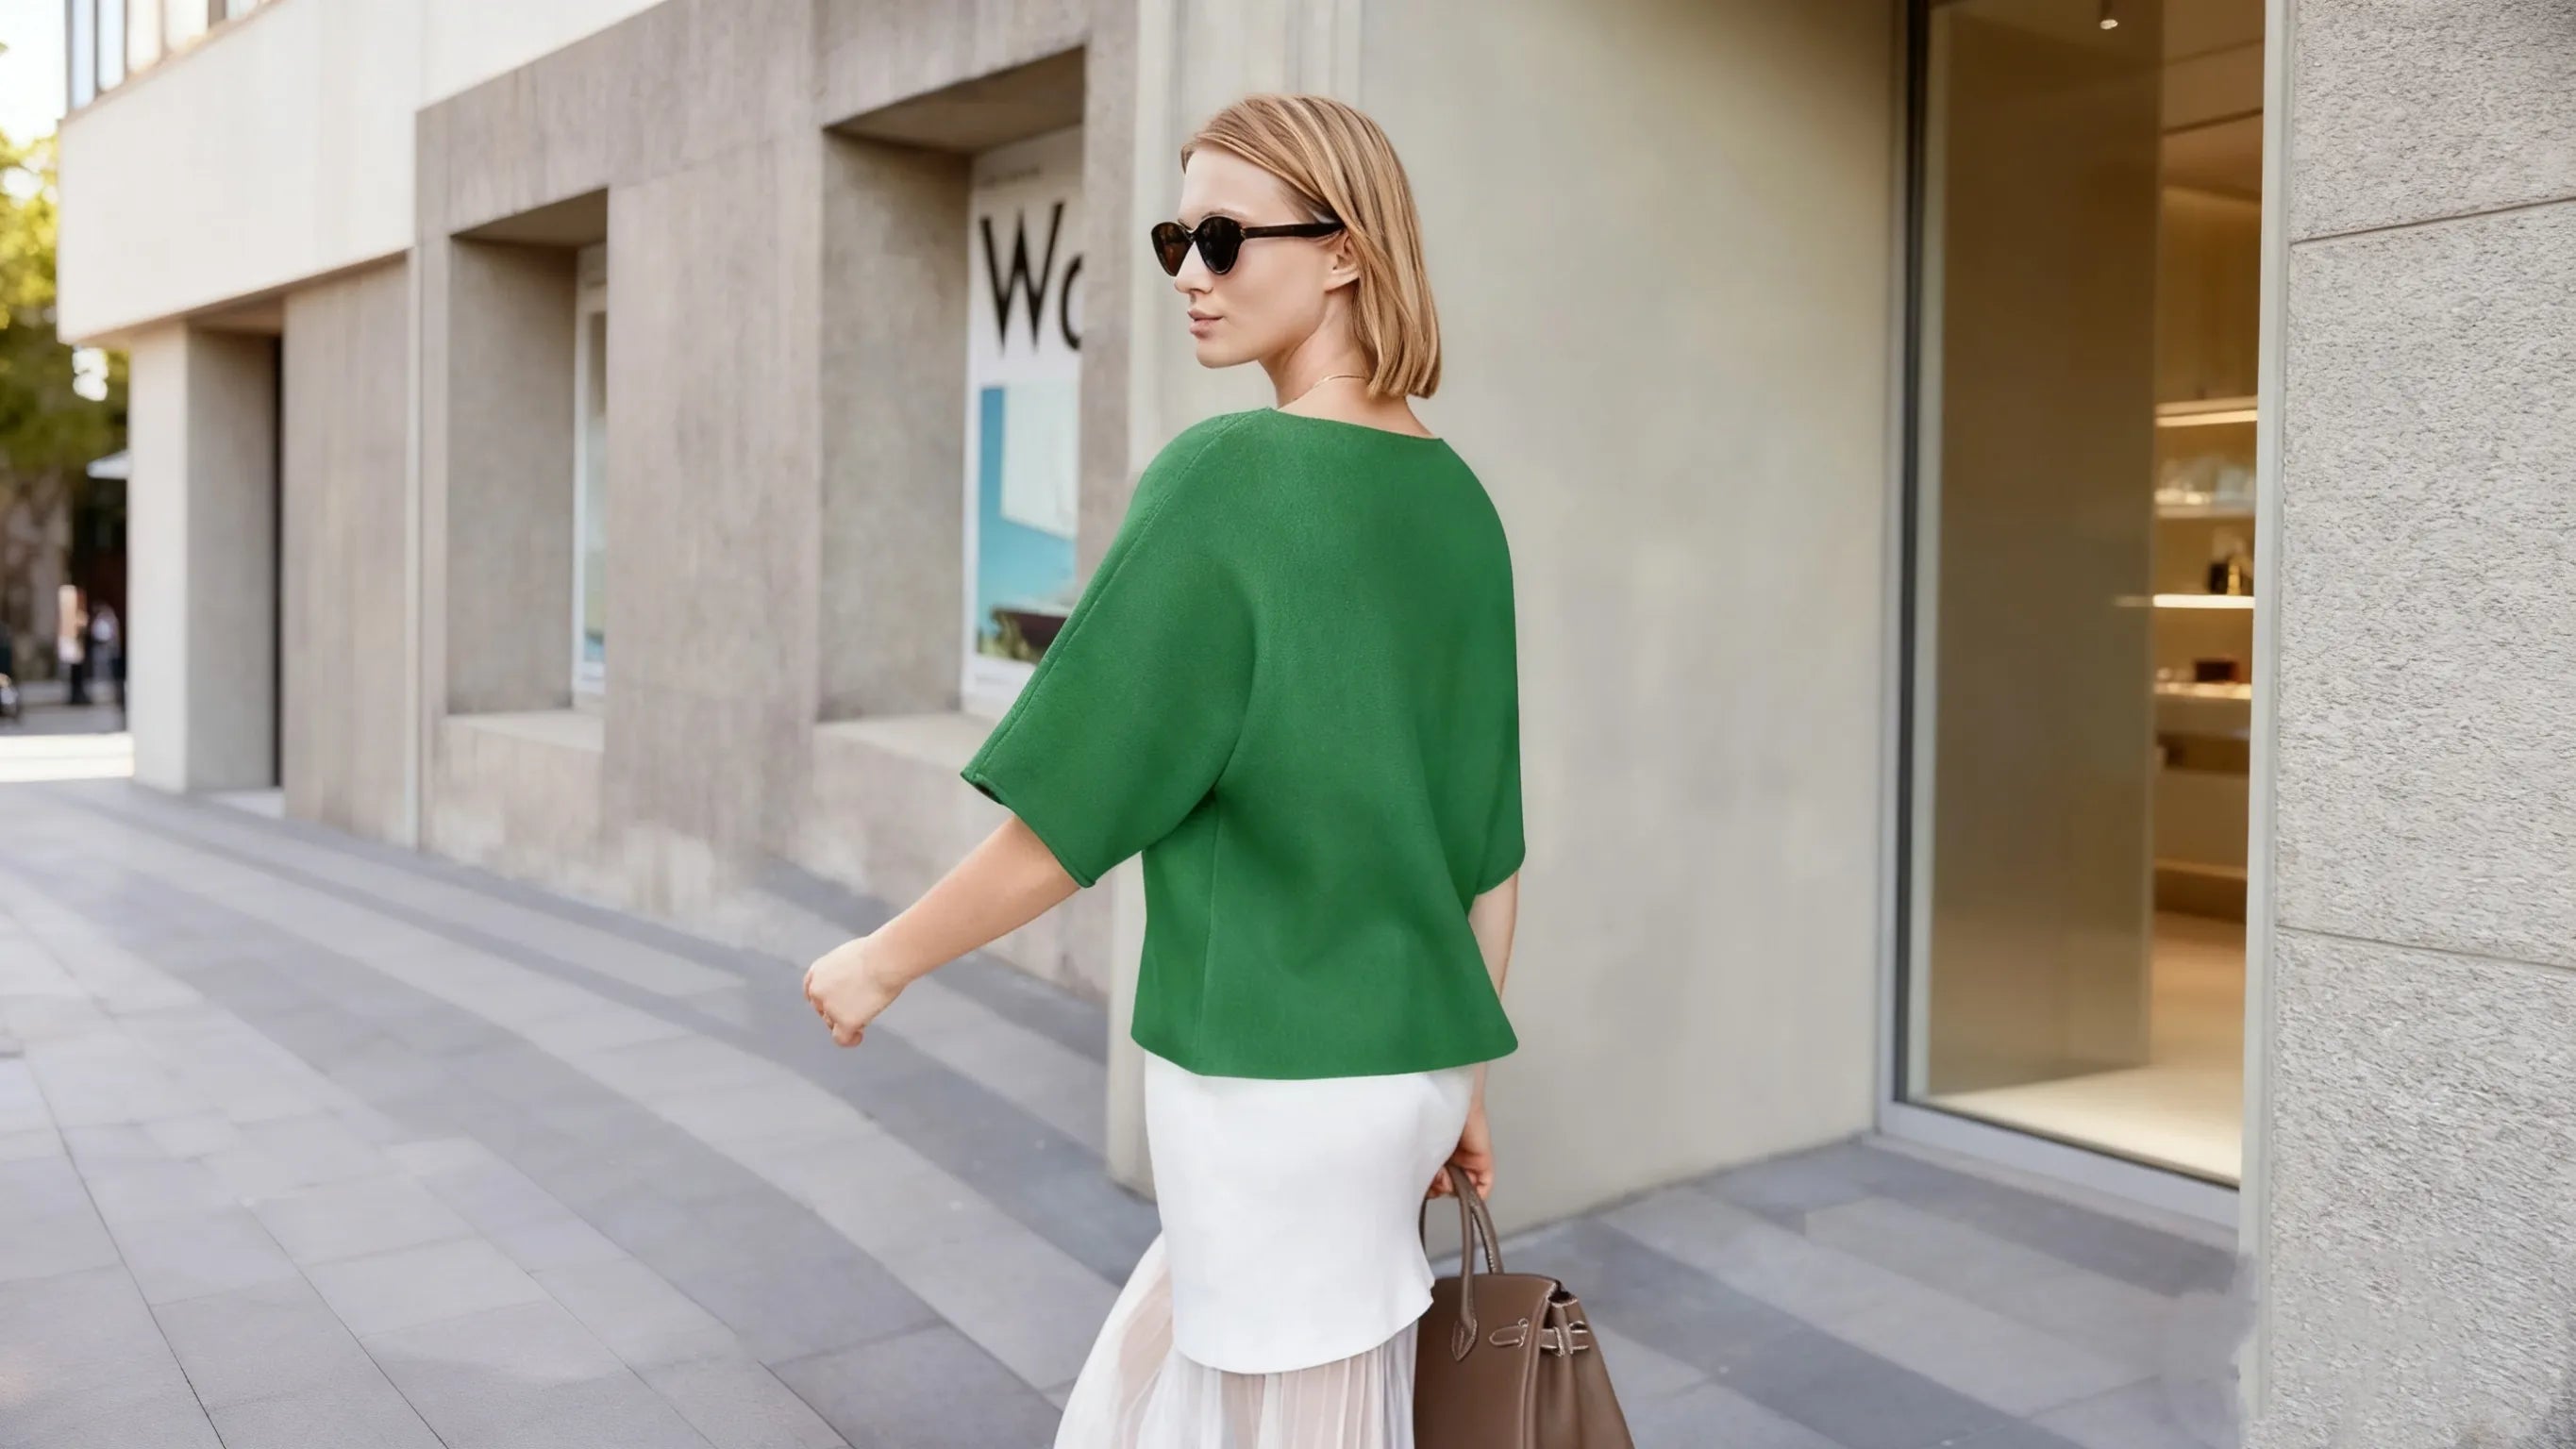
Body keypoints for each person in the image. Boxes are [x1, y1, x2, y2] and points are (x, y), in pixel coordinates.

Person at [804, 92, 1524, 1449]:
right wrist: (1466, 1085)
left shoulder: (1228, 477)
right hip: (1401, 1080)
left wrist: (883, 958)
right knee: (1216, 1378)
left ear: (1347, 251)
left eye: (1223, 238)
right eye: (1172, 238)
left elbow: (1073, 813)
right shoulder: (1459, 502)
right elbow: (1491, 846)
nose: (1188, 273)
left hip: (1270, 1083)